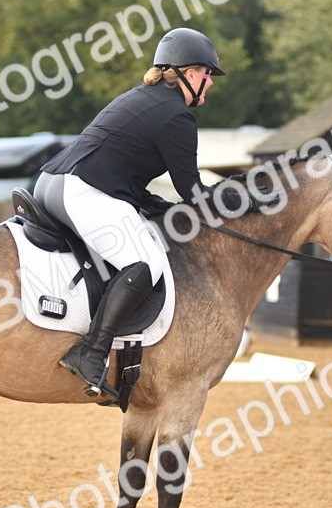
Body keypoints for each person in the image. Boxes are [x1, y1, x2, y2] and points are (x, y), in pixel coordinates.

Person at [34, 27, 227, 400]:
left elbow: (129, 172)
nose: (210, 84)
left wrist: (159, 206)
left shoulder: (144, 97)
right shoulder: (177, 117)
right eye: (208, 75)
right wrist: (245, 199)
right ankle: (90, 352)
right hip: (84, 190)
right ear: (189, 74)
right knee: (145, 263)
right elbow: (194, 193)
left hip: (52, 183)